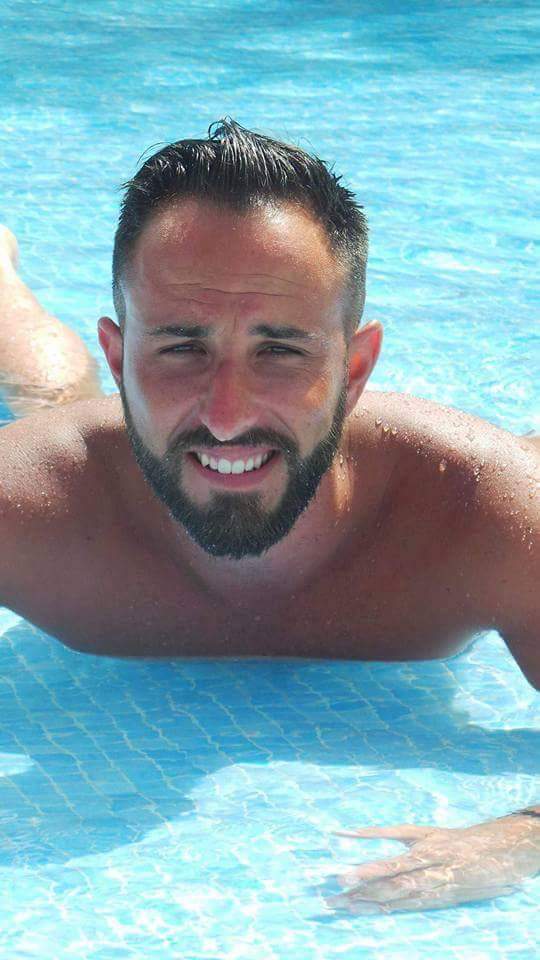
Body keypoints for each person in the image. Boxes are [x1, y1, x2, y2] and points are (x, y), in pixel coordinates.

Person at [0, 120, 538, 914]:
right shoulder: (26, 506)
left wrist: (520, 840)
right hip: (83, 467)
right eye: (181, 348)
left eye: (280, 350)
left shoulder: (488, 517)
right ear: (120, 359)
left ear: (354, 368)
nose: (227, 414)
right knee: (47, 397)